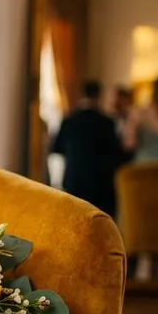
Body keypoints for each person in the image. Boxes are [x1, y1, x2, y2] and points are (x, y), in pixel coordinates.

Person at [52, 81, 125, 217]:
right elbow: (116, 154)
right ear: (98, 95)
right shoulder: (106, 122)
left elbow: (57, 148)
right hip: (100, 185)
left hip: (74, 181)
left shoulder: (69, 120)